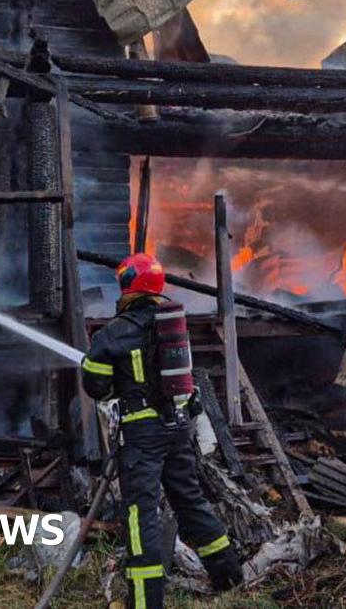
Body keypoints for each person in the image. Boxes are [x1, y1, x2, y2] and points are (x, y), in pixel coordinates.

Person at [81, 253, 243, 608]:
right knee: (190, 499)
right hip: (178, 428)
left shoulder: (115, 332)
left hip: (142, 438)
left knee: (141, 514)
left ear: (128, 286)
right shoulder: (172, 322)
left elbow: (95, 385)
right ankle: (230, 577)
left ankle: (145, 600)